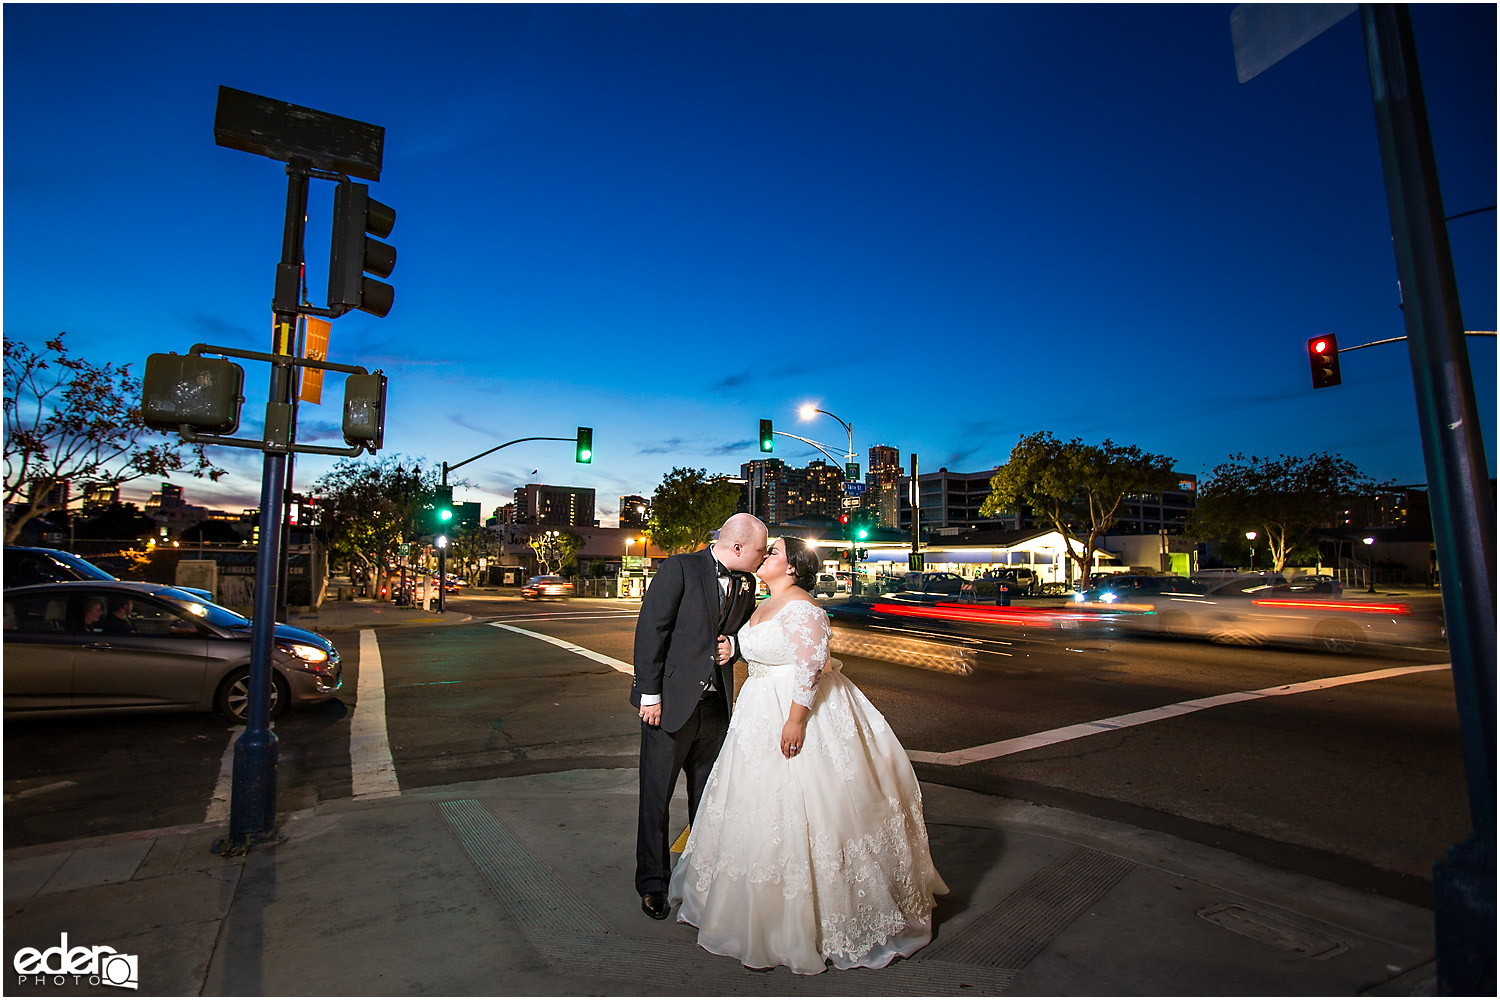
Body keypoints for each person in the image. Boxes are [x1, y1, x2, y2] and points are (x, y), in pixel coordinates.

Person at [668, 535, 948, 974]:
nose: (764, 557)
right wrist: (735, 648)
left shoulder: (803, 607)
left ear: (794, 567)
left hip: (793, 709)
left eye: (773, 552)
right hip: (757, 711)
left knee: (811, 806)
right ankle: (748, 911)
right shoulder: (764, 601)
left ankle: (818, 919)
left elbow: (811, 664)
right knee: (755, 806)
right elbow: (766, 647)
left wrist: (796, 720)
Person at [631, 512, 768, 921]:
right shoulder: (679, 568)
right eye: (760, 551)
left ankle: (702, 878)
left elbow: (748, 630)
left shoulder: (746, 582)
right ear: (738, 547)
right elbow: (650, 630)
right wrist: (650, 695)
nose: (762, 558)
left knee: (708, 801)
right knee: (656, 800)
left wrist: (736, 648)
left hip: (715, 709)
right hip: (668, 706)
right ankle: (653, 884)